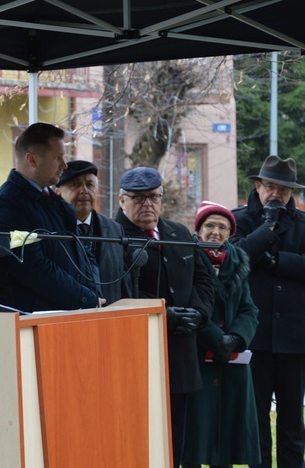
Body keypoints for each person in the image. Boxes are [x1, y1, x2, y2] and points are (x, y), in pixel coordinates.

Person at [113, 166, 213, 468]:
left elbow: (204, 278)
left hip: (180, 353)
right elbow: (116, 288)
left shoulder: (178, 233)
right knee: (139, 440)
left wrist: (198, 312)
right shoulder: (112, 236)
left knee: (175, 440)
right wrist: (161, 314)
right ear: (121, 201)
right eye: (138, 198)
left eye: (154, 198)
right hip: (136, 354)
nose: (148, 205)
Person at [230, 155, 305, 468]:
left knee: (292, 425)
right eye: (271, 187)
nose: (277, 195)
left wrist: (275, 262)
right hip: (255, 338)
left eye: (284, 191)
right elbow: (236, 258)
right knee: (256, 421)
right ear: (258, 186)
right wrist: (267, 228)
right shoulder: (238, 220)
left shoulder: (302, 224)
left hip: (294, 339)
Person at [0, 123, 103, 312]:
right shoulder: (7, 204)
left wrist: (93, 294)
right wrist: (85, 297)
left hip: (66, 314)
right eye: (58, 158)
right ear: (32, 159)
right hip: (33, 320)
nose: (64, 165)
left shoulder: (52, 200)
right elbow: (33, 267)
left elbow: (83, 252)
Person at [182, 201, 260, 468]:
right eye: (210, 225)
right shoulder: (187, 256)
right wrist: (217, 339)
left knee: (226, 435)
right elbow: (188, 303)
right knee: (194, 434)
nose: (215, 232)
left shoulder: (238, 262)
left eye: (222, 227)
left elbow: (249, 309)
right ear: (199, 229)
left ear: (230, 233)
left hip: (231, 360)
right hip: (196, 357)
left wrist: (235, 339)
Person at [55, 160, 132, 304]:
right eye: (75, 185)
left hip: (110, 320)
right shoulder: (51, 231)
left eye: (90, 185)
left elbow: (123, 285)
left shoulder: (115, 230)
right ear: (58, 193)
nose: (84, 190)